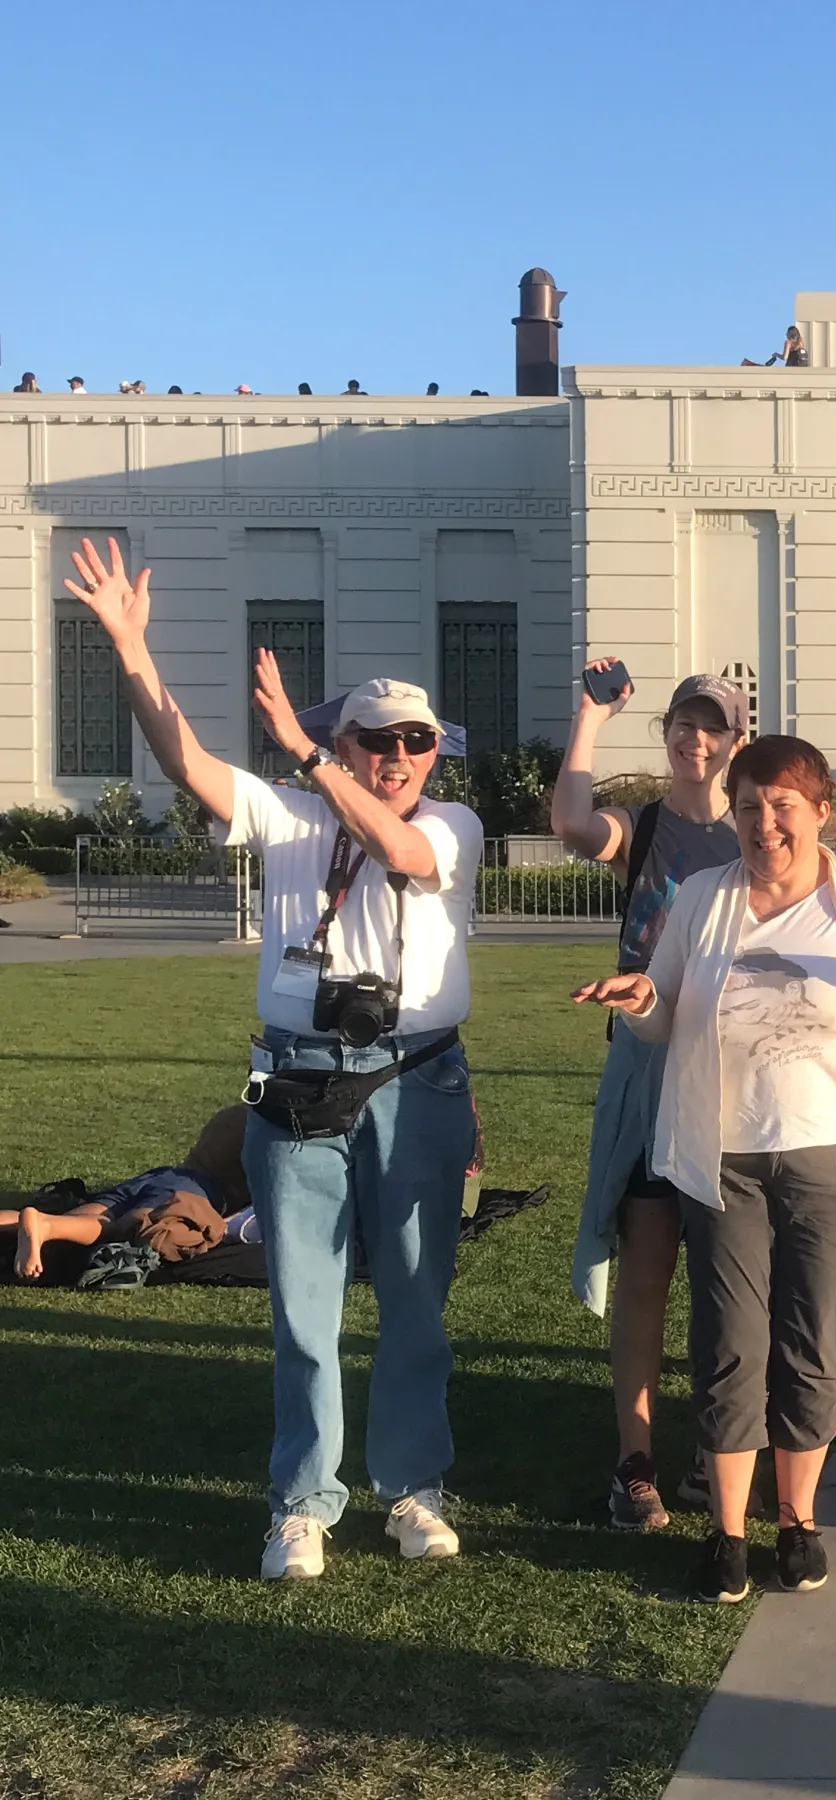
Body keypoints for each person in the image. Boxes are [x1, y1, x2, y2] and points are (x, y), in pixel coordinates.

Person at [63, 537, 481, 1581]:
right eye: (374, 739)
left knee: (418, 1301)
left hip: (419, 1074)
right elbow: (188, 765)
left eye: (415, 741)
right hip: (293, 1074)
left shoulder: (456, 824)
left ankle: (414, 1491)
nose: (395, 756)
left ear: (437, 753)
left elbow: (397, 850)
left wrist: (309, 753)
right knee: (302, 1305)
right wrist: (130, 649)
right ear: (350, 738)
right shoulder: (292, 813)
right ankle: (302, 1504)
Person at [572, 735, 836, 1602]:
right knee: (729, 1344)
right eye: (750, 807)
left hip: (831, 1155)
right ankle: (725, 1534)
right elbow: (668, 1006)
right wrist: (642, 1001)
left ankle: (796, 1522)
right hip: (723, 1157)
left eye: (783, 806)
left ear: (821, 812)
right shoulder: (704, 897)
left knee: (813, 1342)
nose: (765, 825)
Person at [556, 658, 746, 1530]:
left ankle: (721, 1448)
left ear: (735, 742)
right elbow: (567, 825)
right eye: (683, 724)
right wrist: (590, 717)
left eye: (711, 727)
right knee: (647, 1262)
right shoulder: (642, 825)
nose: (694, 739)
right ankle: (634, 1461)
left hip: (731, 1074)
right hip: (645, 1068)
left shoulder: (756, 836)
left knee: (729, 1273)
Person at [5, 1107, 248, 1281]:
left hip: (161, 1176)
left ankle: (38, 1223)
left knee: (81, 1219)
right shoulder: (263, 1132)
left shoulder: (232, 1115)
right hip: (194, 1193)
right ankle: (45, 1225)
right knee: (114, 1230)